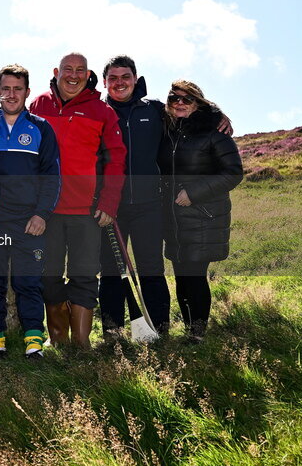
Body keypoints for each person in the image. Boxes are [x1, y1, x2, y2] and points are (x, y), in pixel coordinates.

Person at [98, 56, 233, 337]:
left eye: (125, 77)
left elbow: (192, 110)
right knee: (112, 272)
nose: (119, 83)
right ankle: (113, 332)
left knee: (151, 270)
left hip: (150, 207)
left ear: (135, 79)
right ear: (104, 82)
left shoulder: (156, 110)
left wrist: (218, 114)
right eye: (113, 78)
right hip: (111, 207)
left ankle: (158, 330)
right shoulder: (98, 113)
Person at [28, 53, 126, 350]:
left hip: (87, 211)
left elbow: (116, 159)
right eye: (68, 69)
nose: (73, 75)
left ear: (88, 74)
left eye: (80, 70)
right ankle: (59, 341)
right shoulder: (38, 105)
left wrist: (109, 203)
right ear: (56, 72)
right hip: (46, 212)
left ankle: (82, 345)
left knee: (84, 276)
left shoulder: (102, 111)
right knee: (49, 276)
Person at [0, 65, 61, 359]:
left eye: (17, 89)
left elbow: (52, 177)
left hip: (30, 223)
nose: (11, 94)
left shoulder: (41, 128)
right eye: (6, 88)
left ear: (27, 91)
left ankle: (33, 343)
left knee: (28, 283)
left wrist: (42, 215)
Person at [158, 80, 243, 342]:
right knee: (182, 276)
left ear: (199, 104)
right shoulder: (167, 132)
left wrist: (193, 194)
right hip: (173, 218)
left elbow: (233, 173)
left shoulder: (214, 133)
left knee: (194, 275)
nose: (180, 103)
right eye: (175, 99)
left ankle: (197, 334)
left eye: (188, 99)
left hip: (202, 216)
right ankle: (189, 330)